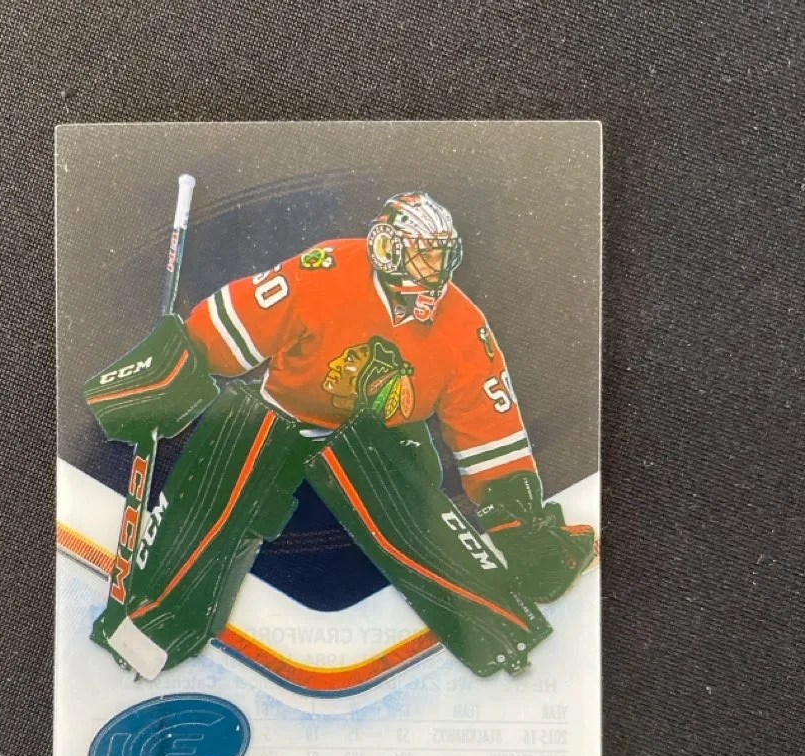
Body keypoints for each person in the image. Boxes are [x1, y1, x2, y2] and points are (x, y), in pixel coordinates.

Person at [84, 193, 594, 680]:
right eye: (422, 256)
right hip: (282, 421)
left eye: (441, 256)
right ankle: (155, 623)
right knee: (236, 427)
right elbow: (228, 330)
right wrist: (171, 367)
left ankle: (496, 630)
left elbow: (490, 432)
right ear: (388, 249)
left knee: (403, 493)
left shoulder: (462, 326)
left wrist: (519, 523)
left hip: (381, 444)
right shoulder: (325, 272)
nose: (434, 271)